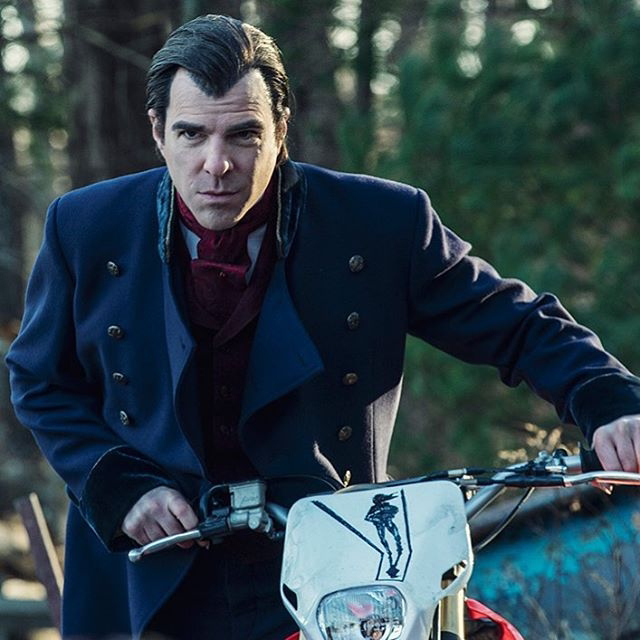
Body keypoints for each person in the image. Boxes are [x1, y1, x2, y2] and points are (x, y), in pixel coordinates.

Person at [6, 13, 640, 640]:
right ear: (158, 131)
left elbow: (517, 324)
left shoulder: (379, 222)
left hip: (335, 565)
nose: (216, 164)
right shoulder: (86, 227)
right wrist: (116, 484)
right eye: (192, 135)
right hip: (148, 566)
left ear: (281, 128)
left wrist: (606, 398)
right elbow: (39, 380)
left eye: (244, 135)